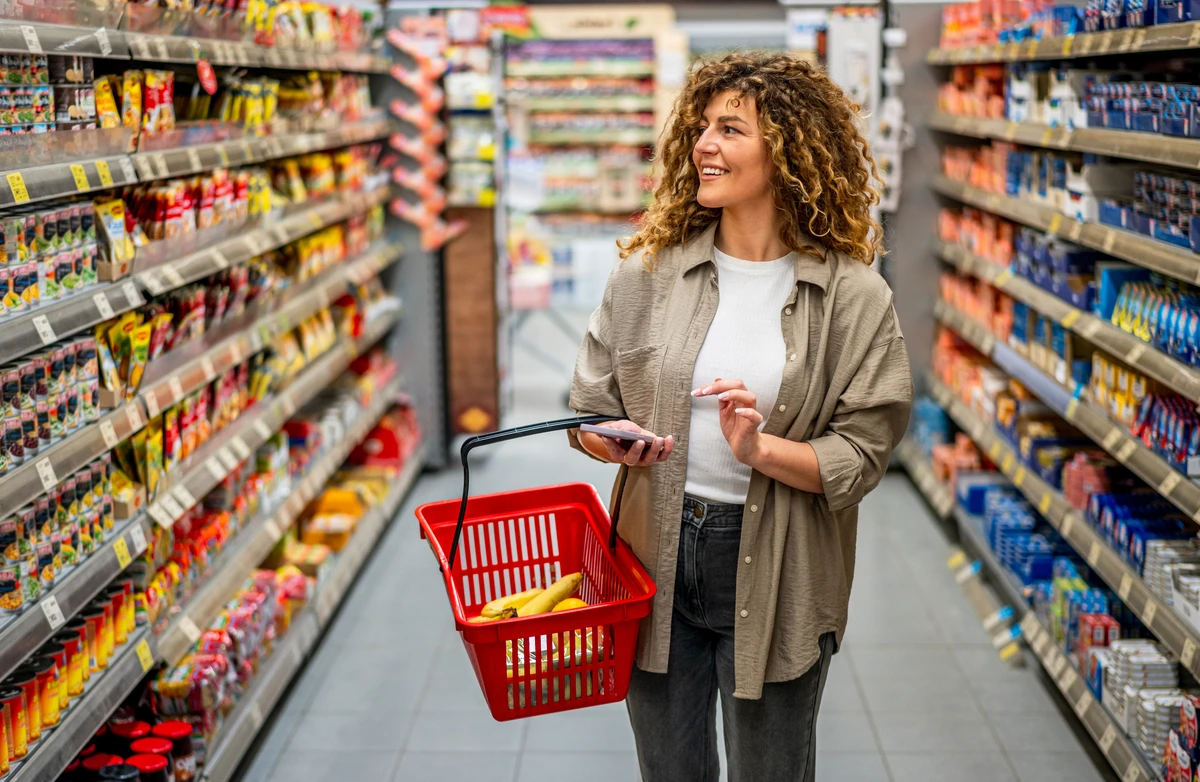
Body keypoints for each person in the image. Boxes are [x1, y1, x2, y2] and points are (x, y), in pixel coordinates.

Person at [567, 51, 913, 782]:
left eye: (730, 128)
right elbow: (589, 409)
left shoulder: (852, 296)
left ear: (788, 147)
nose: (703, 144)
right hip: (652, 553)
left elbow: (862, 454)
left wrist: (763, 452)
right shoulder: (648, 273)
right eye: (700, 127)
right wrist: (611, 443)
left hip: (780, 561)